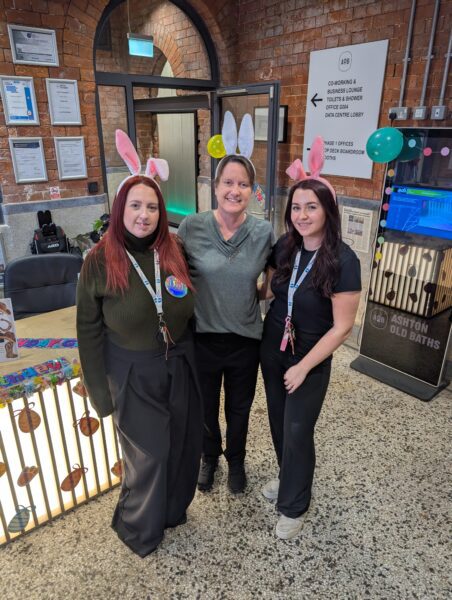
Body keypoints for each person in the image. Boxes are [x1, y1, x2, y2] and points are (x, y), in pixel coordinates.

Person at [76, 130, 203, 557]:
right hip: (131, 371)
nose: (144, 215)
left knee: (182, 445)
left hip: (179, 363)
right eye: (135, 206)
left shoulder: (174, 248)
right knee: (151, 455)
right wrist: (99, 394)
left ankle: (172, 511)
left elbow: (190, 304)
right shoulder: (99, 260)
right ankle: (138, 528)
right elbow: (87, 330)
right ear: (120, 209)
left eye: (152, 207)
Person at [259, 137, 361, 540]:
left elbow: (342, 327)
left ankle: (295, 505)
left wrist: (303, 366)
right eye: (296, 207)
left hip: (310, 357)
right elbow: (270, 288)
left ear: (328, 210)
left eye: (311, 207)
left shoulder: (343, 260)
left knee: (298, 428)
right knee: (278, 423)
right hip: (273, 346)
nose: (302, 215)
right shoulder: (286, 246)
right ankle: (288, 477)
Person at [178, 112, 274, 494]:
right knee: (205, 406)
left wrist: (260, 294)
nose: (235, 190)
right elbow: (174, 276)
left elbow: (274, 275)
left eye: (243, 184)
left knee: (239, 408)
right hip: (202, 337)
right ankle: (209, 457)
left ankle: (236, 460)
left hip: (245, 339)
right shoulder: (192, 227)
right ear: (215, 187)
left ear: (252, 190)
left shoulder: (263, 231)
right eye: (228, 183)